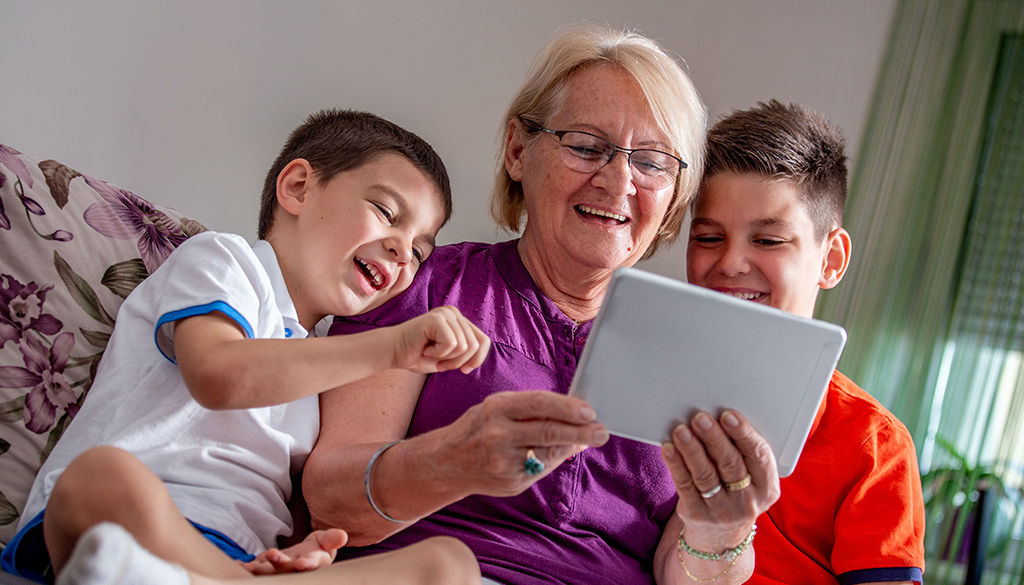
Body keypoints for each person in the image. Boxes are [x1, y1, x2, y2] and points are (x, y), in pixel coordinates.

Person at [303, 25, 780, 585]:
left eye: (652, 162)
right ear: (517, 150)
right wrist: (449, 462)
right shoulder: (423, 283)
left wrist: (721, 535)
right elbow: (329, 502)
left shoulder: (697, 358)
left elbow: (687, 572)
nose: (618, 180)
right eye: (585, 146)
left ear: (675, 195)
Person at [1, 109, 489, 585]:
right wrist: (390, 347)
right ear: (297, 187)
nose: (403, 252)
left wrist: (296, 553)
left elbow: (294, 501)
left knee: (450, 564)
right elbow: (218, 375)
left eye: (419, 251)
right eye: (386, 212)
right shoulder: (225, 261)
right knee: (100, 477)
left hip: (240, 558)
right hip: (132, 519)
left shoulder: (326, 359)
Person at [686, 100, 926, 584]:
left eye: (769, 241)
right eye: (708, 237)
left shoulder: (873, 444)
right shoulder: (640, 391)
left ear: (831, 259)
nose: (731, 263)